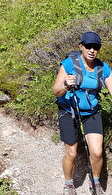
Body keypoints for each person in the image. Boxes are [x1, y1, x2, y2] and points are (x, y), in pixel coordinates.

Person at [53, 32, 112, 195]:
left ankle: (95, 181)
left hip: (91, 112)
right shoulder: (69, 64)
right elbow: (56, 90)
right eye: (88, 46)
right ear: (81, 46)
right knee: (71, 153)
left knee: (97, 152)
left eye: (96, 47)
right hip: (69, 111)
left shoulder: (103, 68)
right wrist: (65, 85)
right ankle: (69, 184)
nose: (92, 50)